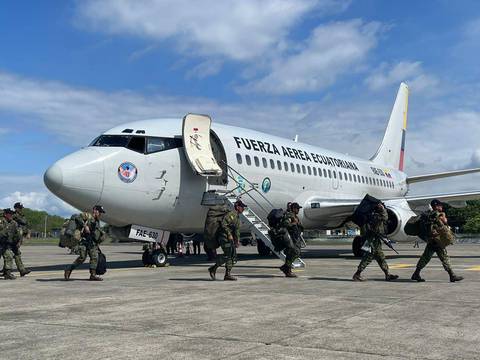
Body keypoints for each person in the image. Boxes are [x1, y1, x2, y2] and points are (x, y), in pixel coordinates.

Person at [411, 199, 463, 282]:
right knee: (444, 258)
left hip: (431, 240)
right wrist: (444, 217)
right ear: (436, 206)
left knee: (425, 257)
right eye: (440, 205)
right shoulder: (437, 215)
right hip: (437, 241)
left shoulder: (428, 214)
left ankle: (416, 274)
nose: (441, 206)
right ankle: (452, 275)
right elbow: (445, 222)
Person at [353, 202, 398, 281]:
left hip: (375, 239)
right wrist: (383, 209)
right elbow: (385, 218)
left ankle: (387, 274)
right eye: (381, 207)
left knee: (380, 257)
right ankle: (357, 274)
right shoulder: (375, 216)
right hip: (371, 240)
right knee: (368, 257)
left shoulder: (373, 215)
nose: (383, 208)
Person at [64, 205, 106, 281]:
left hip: (91, 242)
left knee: (94, 257)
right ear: (95, 210)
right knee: (82, 258)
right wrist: (84, 225)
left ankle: (92, 275)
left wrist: (99, 239)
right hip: (83, 240)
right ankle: (68, 269)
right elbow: (75, 216)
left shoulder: (97, 221)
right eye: (99, 212)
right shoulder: (87, 216)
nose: (100, 214)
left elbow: (95, 232)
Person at [208, 200, 245, 281]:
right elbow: (223, 224)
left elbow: (237, 231)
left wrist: (237, 241)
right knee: (228, 254)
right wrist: (229, 234)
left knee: (232, 256)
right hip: (224, 237)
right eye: (242, 207)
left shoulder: (238, 218)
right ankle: (213, 268)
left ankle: (227, 274)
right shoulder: (231, 214)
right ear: (237, 207)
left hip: (230, 239)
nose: (243, 209)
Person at [279, 202, 303, 278]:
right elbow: (285, 224)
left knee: (295, 253)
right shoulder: (289, 215)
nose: (298, 210)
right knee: (294, 252)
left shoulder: (295, 216)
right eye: (297, 208)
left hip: (296, 237)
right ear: (293, 209)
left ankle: (286, 268)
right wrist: (294, 223)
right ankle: (287, 268)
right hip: (291, 237)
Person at [0, 209, 21, 280]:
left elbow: (17, 233)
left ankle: (7, 274)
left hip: (7, 244)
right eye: (9, 214)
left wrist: (18, 241)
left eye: (11, 214)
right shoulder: (1, 222)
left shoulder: (13, 223)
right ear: (5, 215)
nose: (11, 215)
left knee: (9, 256)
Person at [11, 202, 31, 276]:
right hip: (12, 238)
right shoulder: (14, 215)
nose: (21, 209)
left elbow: (27, 224)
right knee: (14, 253)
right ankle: (21, 270)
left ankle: (21, 270)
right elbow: (24, 222)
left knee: (15, 253)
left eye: (21, 208)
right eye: (20, 208)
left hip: (17, 237)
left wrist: (28, 233)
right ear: (16, 208)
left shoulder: (21, 215)